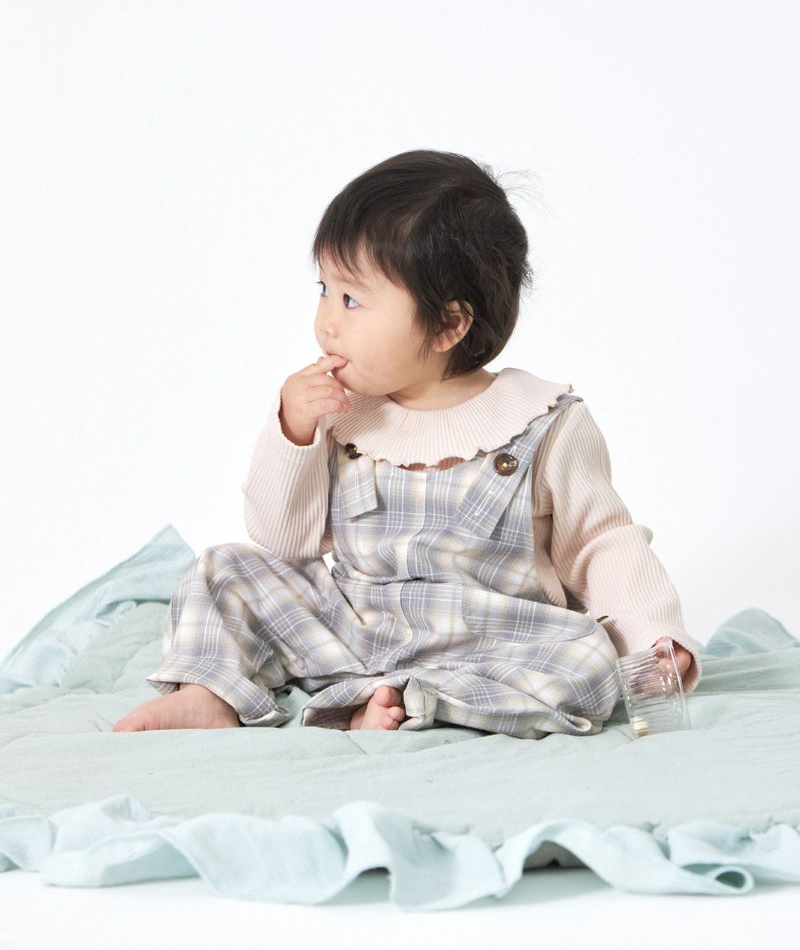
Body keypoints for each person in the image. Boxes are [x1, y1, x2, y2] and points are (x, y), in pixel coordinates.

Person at [114, 149, 699, 738]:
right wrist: (293, 430)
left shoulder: (544, 422)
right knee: (224, 569)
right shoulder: (340, 412)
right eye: (324, 288)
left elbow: (601, 543)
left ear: (448, 324)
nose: (327, 322)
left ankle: (416, 699)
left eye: (352, 300)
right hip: (354, 626)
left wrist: (654, 637)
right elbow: (285, 540)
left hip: (489, 641)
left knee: (588, 660)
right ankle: (210, 692)